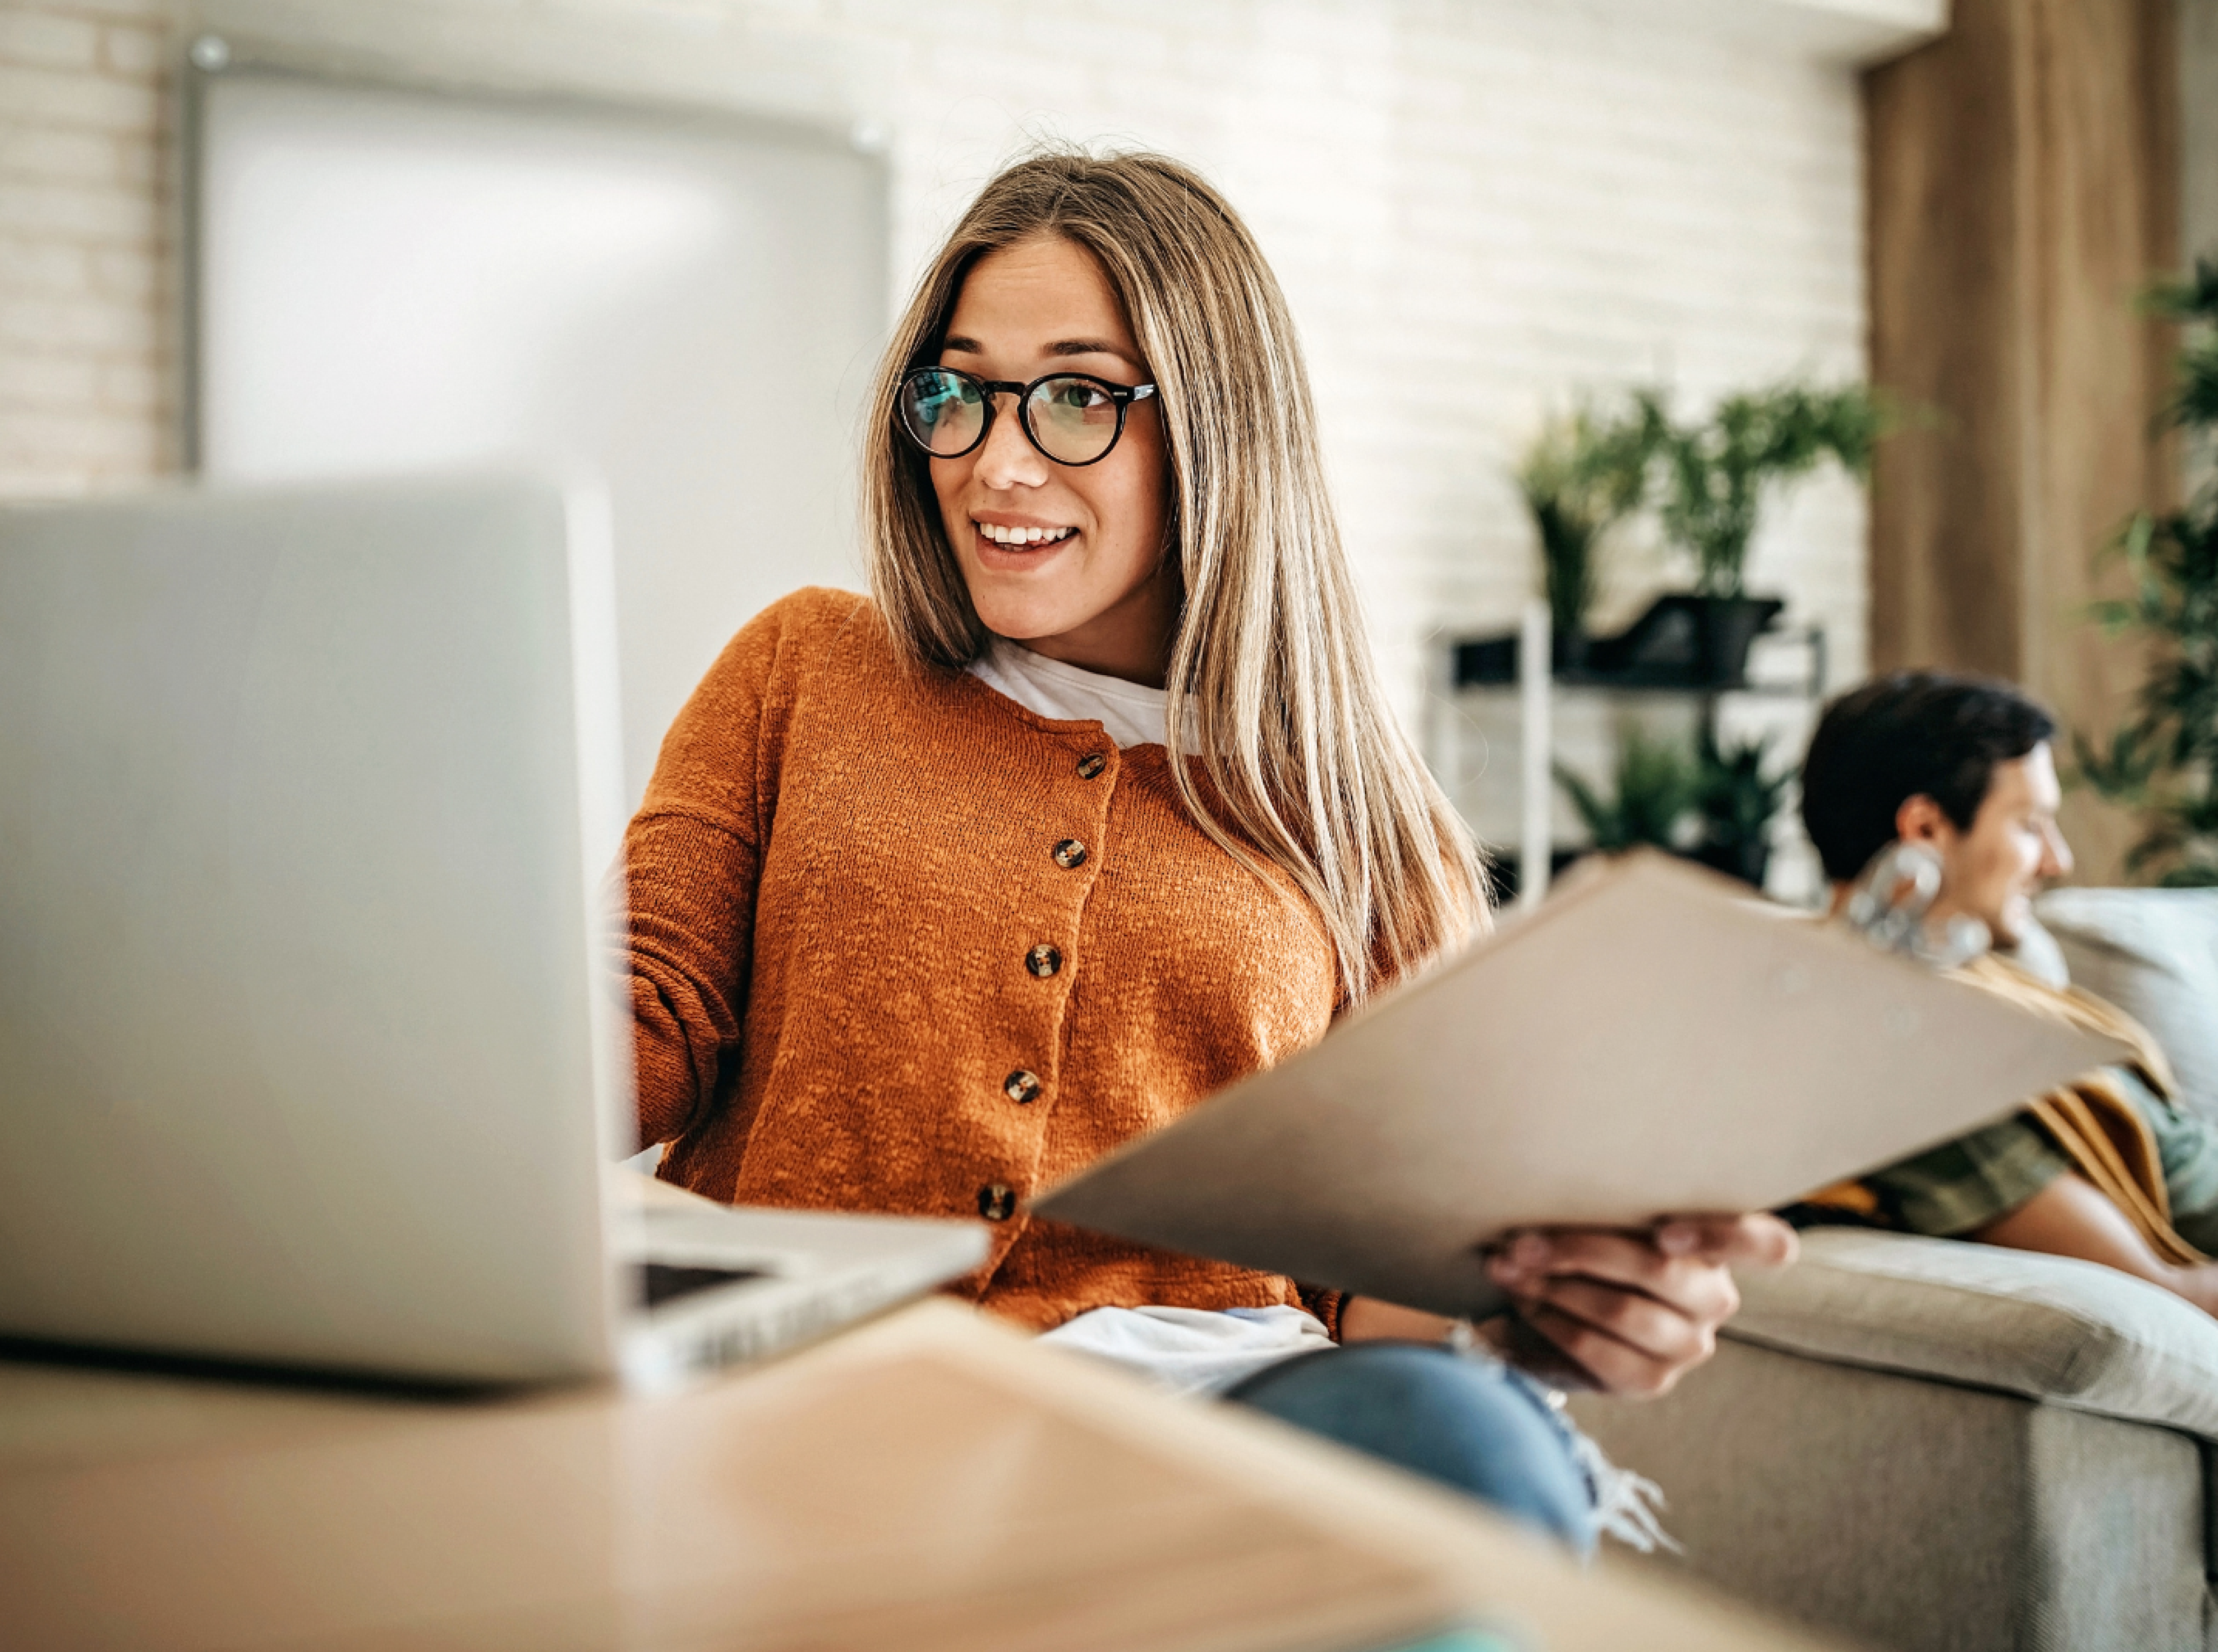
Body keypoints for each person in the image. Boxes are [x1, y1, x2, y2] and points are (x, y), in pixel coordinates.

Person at [621, 147, 1793, 1555]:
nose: (994, 460)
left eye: (1072, 395)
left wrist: (1545, 1294)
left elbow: (1381, 1291)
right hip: (827, 1391)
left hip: (1213, 1428)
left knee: (1466, 1437)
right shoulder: (805, 666)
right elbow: (646, 1018)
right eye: (956, 391)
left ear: (1218, 429)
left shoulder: (1368, 823)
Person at [1795, 671, 2218, 1307]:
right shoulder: (1914, 1061)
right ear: (1926, 829)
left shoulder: (1981, 991)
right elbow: (2167, 1295)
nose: (2058, 859)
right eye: (2029, 825)